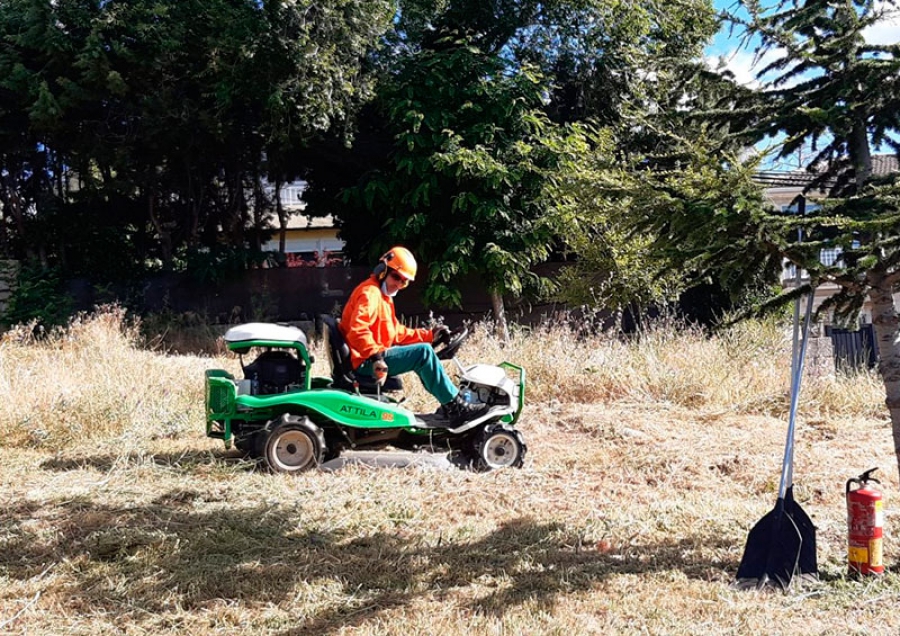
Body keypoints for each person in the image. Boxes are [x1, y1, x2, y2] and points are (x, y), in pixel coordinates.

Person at [339, 246, 489, 425]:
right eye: (396, 277)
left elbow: (396, 332)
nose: (399, 284)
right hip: (365, 361)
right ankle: (456, 407)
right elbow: (358, 329)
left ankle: (449, 404)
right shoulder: (370, 294)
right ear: (383, 270)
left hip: (368, 357)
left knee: (424, 350)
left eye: (404, 282)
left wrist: (429, 335)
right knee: (423, 353)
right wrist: (377, 357)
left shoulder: (382, 296)